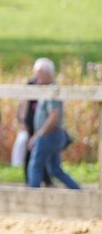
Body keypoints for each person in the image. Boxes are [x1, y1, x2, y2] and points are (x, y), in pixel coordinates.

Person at [26, 58, 80, 190]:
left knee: (35, 165)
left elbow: (54, 116)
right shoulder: (47, 90)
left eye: (38, 74)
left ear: (45, 73)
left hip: (50, 134)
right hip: (52, 134)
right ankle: (78, 192)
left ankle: (32, 195)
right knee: (55, 169)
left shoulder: (52, 90)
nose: (36, 78)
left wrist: (39, 134)